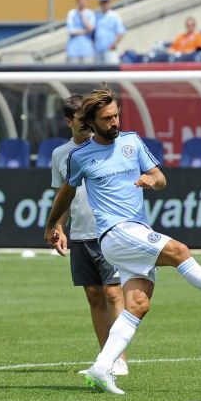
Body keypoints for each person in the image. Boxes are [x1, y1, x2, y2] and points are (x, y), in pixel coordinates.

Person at [44, 84, 201, 395]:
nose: (115, 122)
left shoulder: (132, 142)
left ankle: (102, 368)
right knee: (179, 250)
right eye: (107, 119)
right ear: (91, 122)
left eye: (116, 116)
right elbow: (65, 194)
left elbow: (160, 179)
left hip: (133, 229)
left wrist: (150, 180)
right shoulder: (80, 156)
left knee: (138, 304)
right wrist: (52, 225)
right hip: (115, 233)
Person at [51, 95, 128, 377]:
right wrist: (59, 227)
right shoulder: (61, 155)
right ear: (69, 122)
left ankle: (119, 359)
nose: (86, 126)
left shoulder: (111, 147)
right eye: (80, 120)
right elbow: (63, 197)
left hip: (110, 231)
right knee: (95, 297)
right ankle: (104, 358)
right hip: (81, 235)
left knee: (113, 292)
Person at [94, 0, 126, 64]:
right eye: (103, 2)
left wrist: (114, 44)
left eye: (106, 2)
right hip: (98, 50)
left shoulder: (114, 15)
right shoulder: (97, 15)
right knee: (98, 72)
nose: (104, 4)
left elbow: (121, 32)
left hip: (109, 50)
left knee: (111, 72)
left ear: (109, 3)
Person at [66, 0, 95, 64]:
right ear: (77, 1)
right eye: (80, 0)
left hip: (87, 50)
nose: (82, 2)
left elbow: (91, 29)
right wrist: (85, 31)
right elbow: (71, 31)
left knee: (88, 73)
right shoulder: (71, 13)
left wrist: (82, 16)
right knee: (74, 73)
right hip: (73, 50)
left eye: (84, 0)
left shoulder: (90, 13)